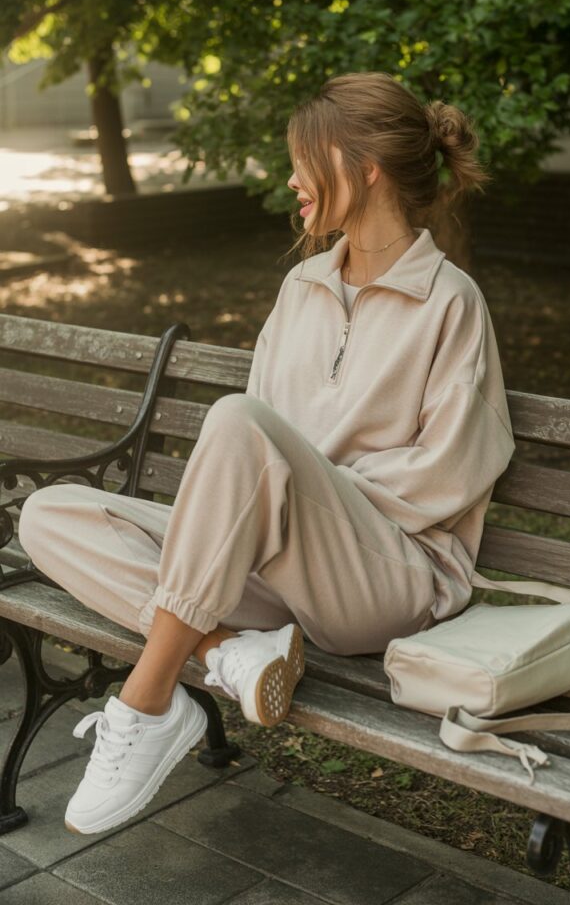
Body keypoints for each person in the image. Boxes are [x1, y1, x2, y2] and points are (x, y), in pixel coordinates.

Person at [18, 70, 516, 836]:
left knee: (239, 421)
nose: (292, 180)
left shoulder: (450, 302)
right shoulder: (302, 289)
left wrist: (306, 495)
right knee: (49, 516)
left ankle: (146, 704)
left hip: (388, 580)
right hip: (280, 573)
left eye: (305, 159)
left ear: (365, 167)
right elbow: (258, 444)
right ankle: (230, 655)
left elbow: (446, 476)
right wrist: (268, 509)